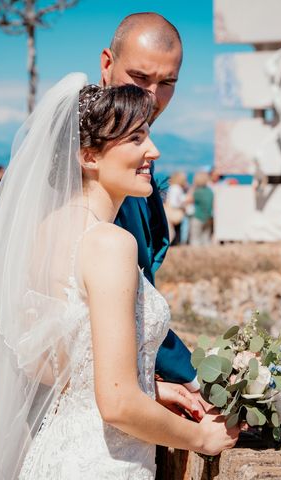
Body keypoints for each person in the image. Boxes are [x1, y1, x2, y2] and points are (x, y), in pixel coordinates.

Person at [0, 75, 238, 480]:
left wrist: (152, 389)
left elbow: (51, 367)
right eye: (135, 139)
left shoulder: (48, 230)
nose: (154, 150)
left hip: (58, 451)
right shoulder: (109, 243)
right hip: (103, 463)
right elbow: (116, 404)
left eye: (147, 135)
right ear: (89, 156)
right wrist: (200, 438)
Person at [101, 13, 207, 412]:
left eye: (167, 84)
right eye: (140, 78)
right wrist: (196, 375)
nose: (151, 97)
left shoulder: (136, 147)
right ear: (107, 64)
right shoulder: (93, 159)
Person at [188, 171, 214, 246]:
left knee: (195, 239)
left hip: (198, 217)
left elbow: (188, 200)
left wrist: (192, 187)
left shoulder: (197, 192)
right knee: (206, 239)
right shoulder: (210, 191)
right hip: (208, 217)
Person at [165, 171, 188, 246]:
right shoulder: (177, 188)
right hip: (175, 212)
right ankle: (176, 244)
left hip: (171, 211)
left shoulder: (172, 187)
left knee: (173, 230)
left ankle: (175, 244)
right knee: (177, 230)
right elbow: (174, 203)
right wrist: (183, 204)